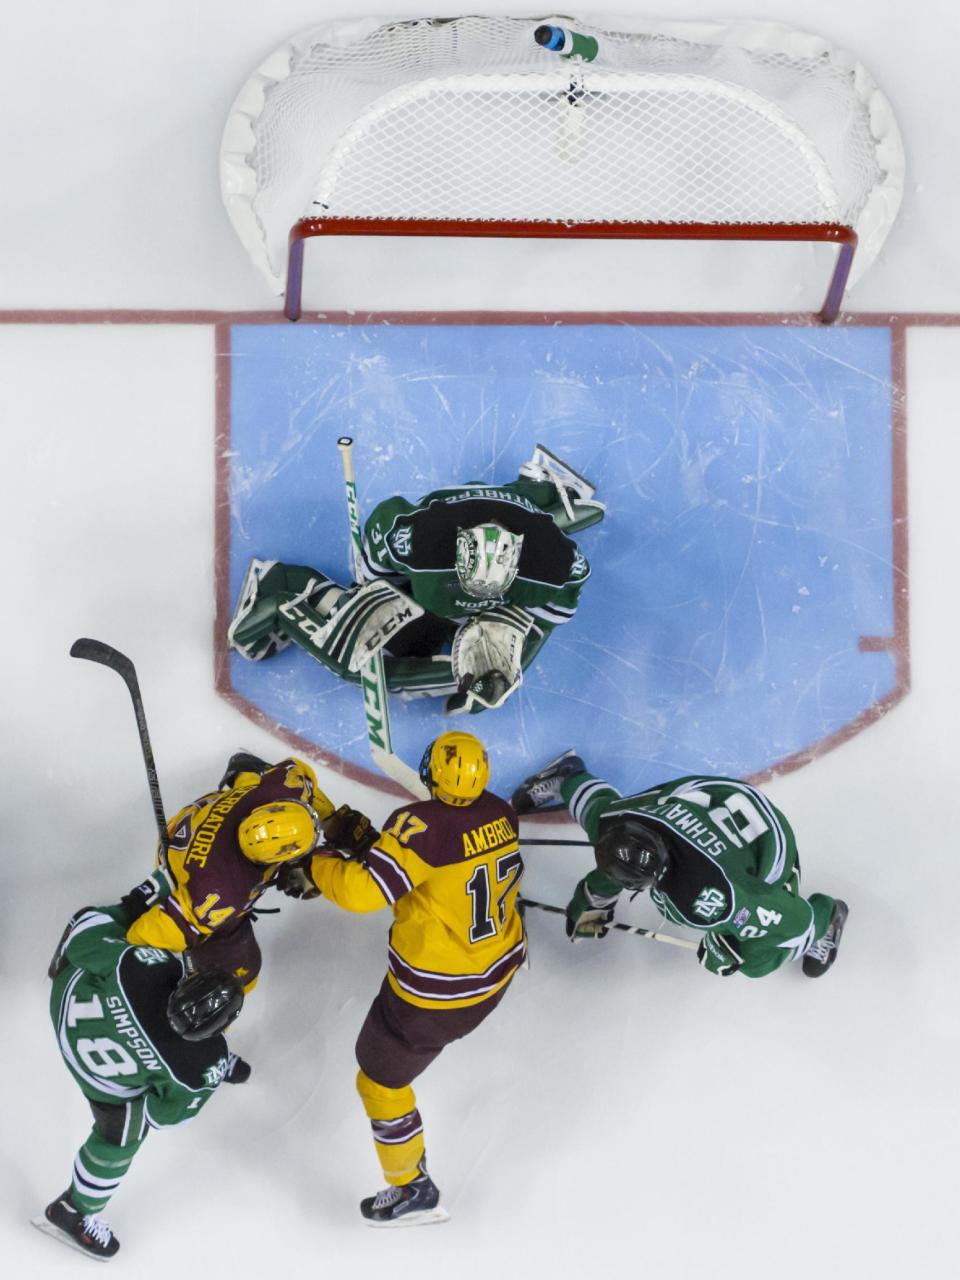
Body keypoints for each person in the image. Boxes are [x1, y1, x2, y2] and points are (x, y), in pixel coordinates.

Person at [277, 730, 524, 1225]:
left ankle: (411, 1187)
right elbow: (440, 875)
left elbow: (362, 894)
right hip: (498, 967)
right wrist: (373, 845)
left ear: (431, 771)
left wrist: (317, 862)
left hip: (438, 997)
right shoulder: (500, 810)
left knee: (379, 1080)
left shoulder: (419, 823)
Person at [227, 445, 603, 714]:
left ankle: (540, 489)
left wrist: (509, 672)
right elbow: (379, 535)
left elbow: (544, 622)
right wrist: (372, 587)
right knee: (363, 662)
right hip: (436, 550)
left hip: (507, 545)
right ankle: (279, 587)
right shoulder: (417, 540)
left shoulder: (558, 564)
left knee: (420, 645)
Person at [512, 751, 849, 979]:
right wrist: (590, 904)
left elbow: (794, 920)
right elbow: (599, 813)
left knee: (756, 963)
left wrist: (727, 950)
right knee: (599, 815)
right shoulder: (619, 820)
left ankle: (829, 916)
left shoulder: (707, 900)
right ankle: (566, 772)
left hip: (764, 846)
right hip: (709, 800)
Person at [35, 904, 247, 1260]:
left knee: (94, 920)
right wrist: (174, 1069)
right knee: (124, 1132)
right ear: (219, 1032)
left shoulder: (148, 966)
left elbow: (82, 946)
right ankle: (74, 1211)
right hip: (104, 1085)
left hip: (65, 1005)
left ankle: (131, 902)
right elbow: (164, 1116)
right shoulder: (200, 1064)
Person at [116, 752, 369, 992]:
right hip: (181, 873)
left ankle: (244, 776)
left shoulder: (281, 789)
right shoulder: (220, 892)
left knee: (249, 788)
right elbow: (169, 927)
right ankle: (210, 1023)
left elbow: (300, 773)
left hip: (193, 824)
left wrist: (331, 819)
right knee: (238, 972)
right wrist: (123, 953)